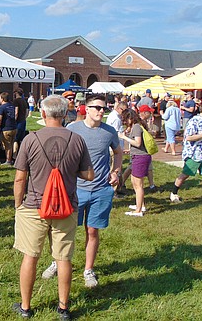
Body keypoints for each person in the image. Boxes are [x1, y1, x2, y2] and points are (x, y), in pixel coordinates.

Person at [12, 94, 94, 319]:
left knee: (30, 256)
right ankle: (63, 307)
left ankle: (26, 307)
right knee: (63, 258)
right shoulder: (77, 140)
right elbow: (88, 174)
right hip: (66, 206)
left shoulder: (30, 139)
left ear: (44, 113)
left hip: (33, 206)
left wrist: (18, 204)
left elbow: (20, 179)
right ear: (65, 113)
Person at [41, 95, 123, 289]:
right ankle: (57, 262)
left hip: (101, 190)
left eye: (104, 108)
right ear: (86, 108)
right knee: (63, 230)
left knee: (92, 230)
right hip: (75, 189)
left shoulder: (109, 132)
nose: (101, 111)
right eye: (97, 107)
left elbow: (118, 153)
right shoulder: (72, 129)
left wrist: (116, 171)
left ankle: (88, 270)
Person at [119, 109, 152, 216]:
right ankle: (140, 205)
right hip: (137, 156)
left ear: (130, 118)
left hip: (140, 158)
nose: (124, 123)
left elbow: (138, 143)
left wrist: (124, 137)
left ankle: (138, 210)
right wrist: (130, 150)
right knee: (134, 182)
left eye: (125, 120)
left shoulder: (137, 127)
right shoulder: (136, 126)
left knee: (138, 185)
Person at [0, 92, 17, 165]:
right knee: (12, 144)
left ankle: (8, 160)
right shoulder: (12, 106)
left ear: (2, 98)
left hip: (6, 128)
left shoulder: (1, 107)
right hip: (14, 127)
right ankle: (13, 158)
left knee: (7, 145)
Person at [13, 89, 29, 158]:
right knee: (22, 139)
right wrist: (24, 118)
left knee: (15, 139)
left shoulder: (16, 101)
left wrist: (14, 120)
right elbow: (27, 112)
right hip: (23, 121)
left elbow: (16, 112)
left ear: (16, 93)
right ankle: (22, 155)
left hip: (18, 122)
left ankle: (14, 155)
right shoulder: (25, 101)